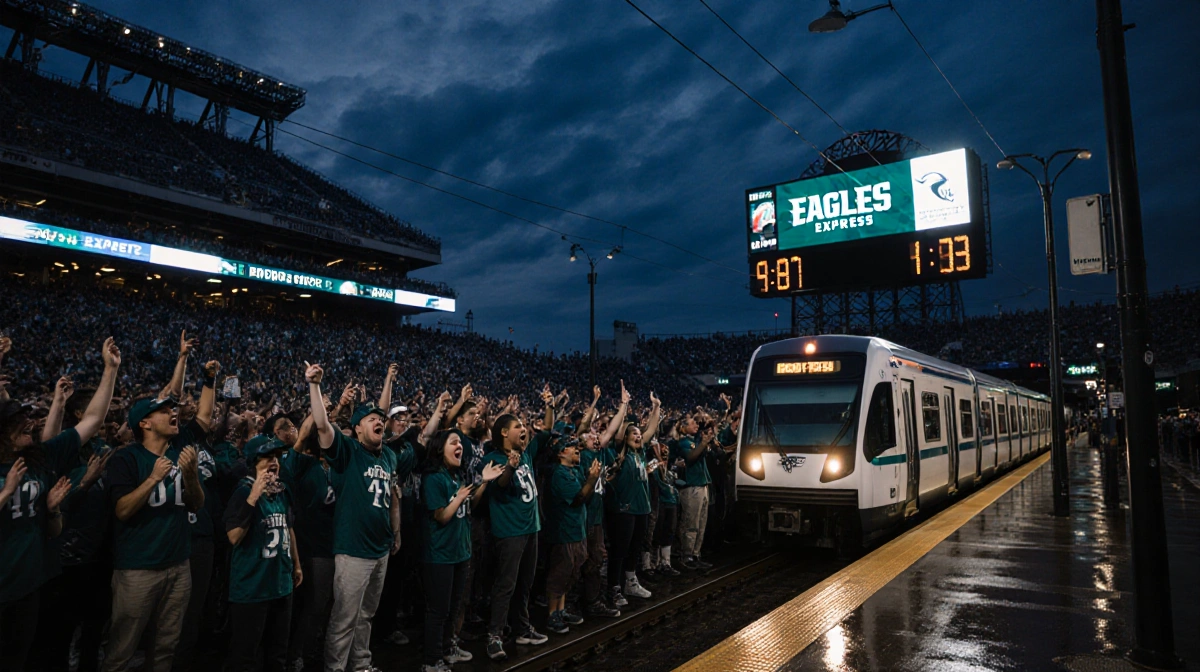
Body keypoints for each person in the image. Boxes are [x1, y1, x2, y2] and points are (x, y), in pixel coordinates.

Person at [1, 339, 119, 672]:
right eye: (16, 421)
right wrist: (5, 492)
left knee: (30, 657)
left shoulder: (40, 457)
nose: (28, 423)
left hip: (31, 584)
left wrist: (110, 370)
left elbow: (92, 420)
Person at [103, 377, 211, 671]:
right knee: (122, 648)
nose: (172, 412)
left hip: (178, 565)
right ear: (145, 424)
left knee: (166, 646)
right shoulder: (126, 459)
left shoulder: (179, 453)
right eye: (163, 411)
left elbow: (196, 504)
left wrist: (189, 475)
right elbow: (122, 510)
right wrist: (152, 478)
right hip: (137, 568)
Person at [305, 362, 401, 672]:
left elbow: (390, 499)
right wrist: (315, 386)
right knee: (345, 616)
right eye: (371, 419)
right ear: (357, 427)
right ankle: (335, 667)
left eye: (381, 420)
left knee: (366, 614)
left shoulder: (388, 454)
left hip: (380, 548)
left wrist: (394, 534)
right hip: (352, 548)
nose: (379, 422)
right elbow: (322, 426)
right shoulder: (347, 452)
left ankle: (360, 664)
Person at [420, 430, 503, 672]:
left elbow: (470, 504)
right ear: (439, 449)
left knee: (454, 606)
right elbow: (441, 516)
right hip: (440, 555)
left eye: (460, 442)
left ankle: (447, 648)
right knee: (438, 610)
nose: (460, 447)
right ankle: (431, 660)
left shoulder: (454, 476)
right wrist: (459, 498)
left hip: (459, 552)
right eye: (453, 442)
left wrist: (484, 482)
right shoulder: (433, 478)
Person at [481, 387, 555, 661]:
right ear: (503, 433)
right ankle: (494, 635)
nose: (524, 429)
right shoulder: (494, 458)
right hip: (510, 532)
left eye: (524, 426)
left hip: (531, 528)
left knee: (525, 583)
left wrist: (550, 405)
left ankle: (522, 628)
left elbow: (546, 431)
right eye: (518, 426)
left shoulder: (525, 453)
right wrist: (510, 466)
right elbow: (500, 485)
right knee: (506, 585)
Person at [224, 438, 302, 672]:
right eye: (268, 457)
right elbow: (234, 537)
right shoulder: (242, 493)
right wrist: (253, 497)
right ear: (253, 463)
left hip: (280, 584)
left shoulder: (280, 491)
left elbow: (288, 529)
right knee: (245, 657)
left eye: (276, 457)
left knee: (277, 654)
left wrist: (296, 565)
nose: (274, 462)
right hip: (252, 589)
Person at [606, 389, 661, 607]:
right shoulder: (621, 452)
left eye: (639, 434)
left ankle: (630, 582)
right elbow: (617, 435)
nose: (639, 436)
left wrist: (656, 407)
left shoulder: (639, 453)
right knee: (619, 549)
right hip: (624, 509)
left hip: (641, 508)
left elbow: (651, 430)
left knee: (635, 548)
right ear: (626, 438)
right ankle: (614, 588)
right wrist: (624, 405)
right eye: (634, 434)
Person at [543, 437, 600, 634]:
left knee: (571, 572)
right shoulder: (559, 473)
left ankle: (562, 609)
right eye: (571, 447)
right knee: (561, 572)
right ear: (560, 453)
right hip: (564, 532)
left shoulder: (574, 471)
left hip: (577, 530)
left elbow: (586, 497)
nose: (577, 449)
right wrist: (592, 479)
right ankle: (552, 614)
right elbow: (577, 499)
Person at [579, 389, 627, 618]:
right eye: (589, 434)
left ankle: (591, 600)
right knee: (587, 560)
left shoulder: (598, 452)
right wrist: (596, 401)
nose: (594, 434)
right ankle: (587, 602)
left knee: (596, 559)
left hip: (596, 517)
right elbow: (591, 428)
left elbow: (611, 431)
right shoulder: (582, 455)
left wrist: (624, 405)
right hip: (585, 518)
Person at [671, 415, 715, 570]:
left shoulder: (694, 440)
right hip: (691, 487)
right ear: (683, 427)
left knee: (701, 523)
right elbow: (691, 457)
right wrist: (703, 443)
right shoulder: (683, 442)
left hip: (702, 484)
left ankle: (696, 554)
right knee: (691, 523)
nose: (696, 424)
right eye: (692, 423)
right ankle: (686, 556)